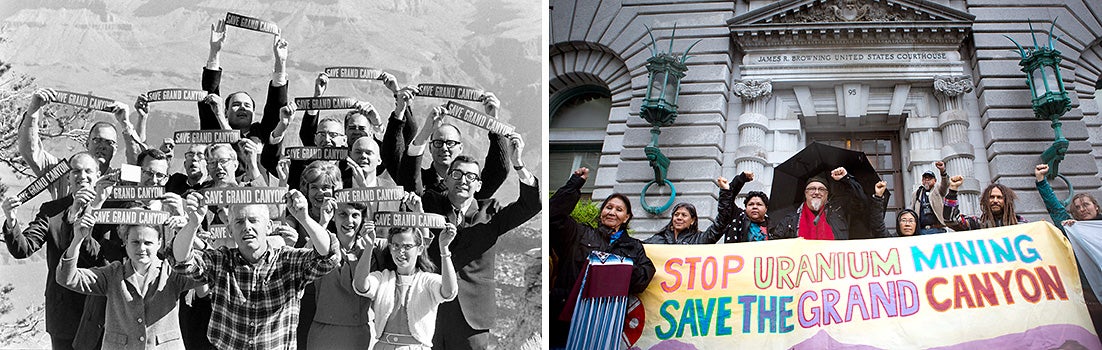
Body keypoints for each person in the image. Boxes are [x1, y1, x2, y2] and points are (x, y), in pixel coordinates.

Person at [172, 190, 340, 349]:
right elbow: (182, 261)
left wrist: (304, 218)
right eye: (239, 222)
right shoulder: (220, 260)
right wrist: (193, 223)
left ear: (268, 227)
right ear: (230, 231)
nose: (247, 227)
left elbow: (327, 257)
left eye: (253, 220)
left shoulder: (288, 261)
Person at [419, 133, 541, 350]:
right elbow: (406, 171)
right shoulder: (429, 203)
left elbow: (530, 205)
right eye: (457, 174)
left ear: (478, 185)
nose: (463, 180)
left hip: (472, 317)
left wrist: (519, 164)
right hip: (430, 309)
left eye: (471, 177)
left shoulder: (490, 213)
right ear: (446, 179)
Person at [1, 153, 120, 350]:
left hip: (102, 313)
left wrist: (90, 211)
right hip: (63, 315)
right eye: (76, 171)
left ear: (98, 175)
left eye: (88, 171)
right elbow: (23, 249)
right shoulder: (51, 210)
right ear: (68, 177)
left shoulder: (112, 211)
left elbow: (104, 260)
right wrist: (12, 220)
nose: (82, 176)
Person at [57, 214, 204, 350]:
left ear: (159, 243)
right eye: (135, 242)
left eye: (148, 243)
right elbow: (67, 278)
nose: (142, 248)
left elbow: (210, 271)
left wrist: (190, 233)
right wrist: (77, 239)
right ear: (125, 242)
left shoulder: (171, 273)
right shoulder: (112, 274)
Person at [549, 167, 655, 349]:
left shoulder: (634, 247)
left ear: (626, 217)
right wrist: (574, 184)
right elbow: (553, 217)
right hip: (564, 321)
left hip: (604, 328)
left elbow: (644, 278)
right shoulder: (579, 233)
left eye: (619, 210)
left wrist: (620, 267)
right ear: (601, 212)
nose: (612, 212)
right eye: (608, 207)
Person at [352, 223, 459, 350]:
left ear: (419, 249)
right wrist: (369, 246)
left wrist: (444, 249)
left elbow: (449, 292)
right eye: (396, 246)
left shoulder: (427, 280)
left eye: (407, 246)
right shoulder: (382, 278)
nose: (400, 252)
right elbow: (360, 285)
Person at [394, 93, 509, 199]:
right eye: (438, 143)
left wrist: (494, 123)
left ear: (460, 148)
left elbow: (498, 171)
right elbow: (405, 173)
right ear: (430, 148)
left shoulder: (470, 187)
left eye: (450, 143)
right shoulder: (420, 180)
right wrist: (426, 131)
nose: (444, 148)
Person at [19, 88, 123, 199]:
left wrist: (128, 124)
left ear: (115, 149)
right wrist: (33, 110)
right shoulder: (63, 172)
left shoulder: (121, 179)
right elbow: (30, 151)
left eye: (109, 143)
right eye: (97, 140)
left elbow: (142, 166)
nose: (102, 146)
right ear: (87, 143)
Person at [771, 167, 870, 240]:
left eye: (821, 189)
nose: (817, 192)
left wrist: (846, 178)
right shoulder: (790, 220)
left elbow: (861, 202)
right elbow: (775, 246)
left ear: (827, 195)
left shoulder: (839, 215)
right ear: (805, 193)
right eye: (812, 189)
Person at [644, 175, 736, 244]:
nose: (679, 218)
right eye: (676, 215)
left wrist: (725, 192)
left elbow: (721, 223)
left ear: (692, 220)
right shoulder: (658, 240)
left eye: (684, 215)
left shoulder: (699, 240)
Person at [944, 176, 1027, 230]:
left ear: (1007, 201)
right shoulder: (977, 224)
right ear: (985, 201)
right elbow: (951, 220)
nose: (995, 200)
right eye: (991, 197)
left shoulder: (1019, 223)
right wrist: (952, 191)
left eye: (999, 197)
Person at [1035, 164, 1102, 227]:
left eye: (1086, 204)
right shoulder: (1071, 226)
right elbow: (1055, 209)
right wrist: (1041, 179)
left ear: (1096, 206)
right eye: (1077, 207)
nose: (1082, 209)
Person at [912, 161, 951, 235]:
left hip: (938, 229)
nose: (927, 180)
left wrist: (943, 171)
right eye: (925, 178)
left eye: (929, 178)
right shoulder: (917, 193)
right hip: (922, 231)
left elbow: (945, 184)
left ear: (935, 180)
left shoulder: (938, 189)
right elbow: (912, 209)